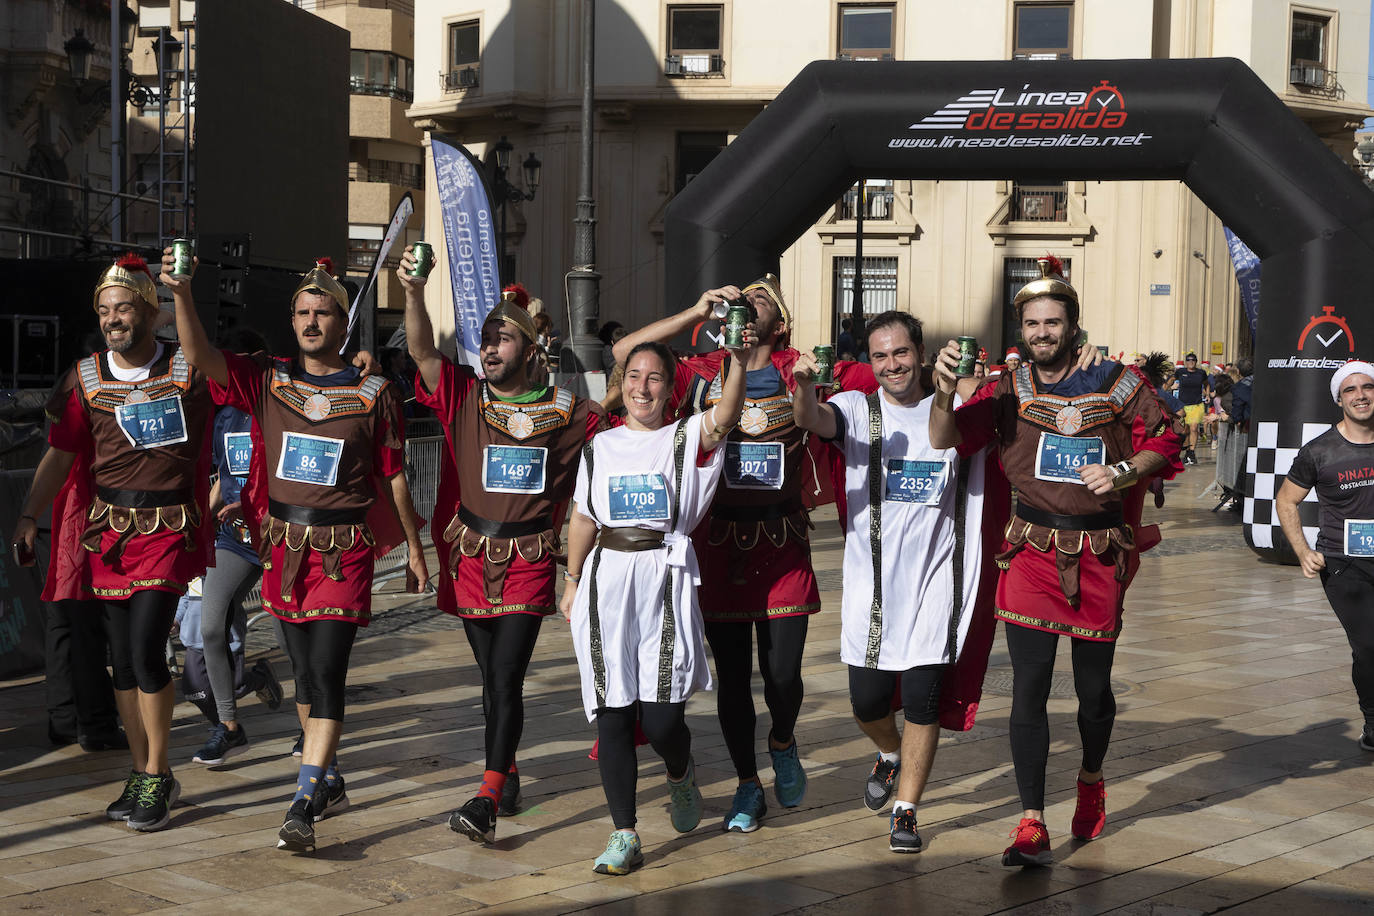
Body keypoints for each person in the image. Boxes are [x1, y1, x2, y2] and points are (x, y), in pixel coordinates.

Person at [166, 251, 428, 853]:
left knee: (329, 670)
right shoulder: (267, 379)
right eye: (304, 312)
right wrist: (182, 293)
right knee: (305, 672)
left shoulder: (374, 392)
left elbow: (394, 475)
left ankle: (303, 798)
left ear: (342, 322)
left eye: (323, 312)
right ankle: (328, 776)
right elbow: (203, 357)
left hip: (346, 550)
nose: (312, 321)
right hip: (283, 548)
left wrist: (414, 549)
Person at [929, 255, 1183, 868]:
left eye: (1053, 322)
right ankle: (1031, 820)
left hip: (1098, 553)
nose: (1043, 332)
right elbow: (944, 437)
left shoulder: (1117, 381)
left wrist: (1124, 470)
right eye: (1034, 323)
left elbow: (1166, 437)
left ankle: (1091, 778)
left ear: (1073, 325)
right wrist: (941, 390)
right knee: (1028, 690)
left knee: (1094, 693)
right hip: (1030, 553)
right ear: (1023, 329)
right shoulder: (1005, 387)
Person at [611, 275, 879, 832]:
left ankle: (782, 740)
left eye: (761, 300)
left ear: (778, 322)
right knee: (733, 680)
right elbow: (622, 353)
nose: (748, 302)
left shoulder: (800, 366)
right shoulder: (702, 371)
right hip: (719, 543)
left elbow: (883, 373)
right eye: (742, 299)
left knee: (782, 674)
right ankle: (746, 785)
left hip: (783, 542)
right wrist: (694, 308)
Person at [398, 248, 606, 846]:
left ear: (530, 348)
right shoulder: (464, 395)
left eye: (503, 339)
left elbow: (625, 424)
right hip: (469, 558)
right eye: (485, 338)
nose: (489, 348)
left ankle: (487, 795)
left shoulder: (566, 413)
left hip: (530, 562)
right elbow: (419, 350)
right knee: (490, 676)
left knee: (506, 677)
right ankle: (506, 767)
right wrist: (413, 292)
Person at [10, 253, 218, 832]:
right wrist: (30, 514)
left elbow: (237, 378)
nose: (112, 319)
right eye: (104, 310)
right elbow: (62, 453)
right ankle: (143, 770)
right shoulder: (85, 377)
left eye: (123, 307)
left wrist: (185, 295)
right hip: (110, 535)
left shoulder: (187, 369)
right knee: (120, 660)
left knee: (148, 647)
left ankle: (157, 773)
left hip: (170, 529)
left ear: (148, 311)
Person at [792, 310, 987, 854]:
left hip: (937, 581)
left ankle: (907, 810)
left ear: (920, 354)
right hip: (872, 587)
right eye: (879, 355)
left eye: (900, 353)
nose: (891, 365)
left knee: (924, 701)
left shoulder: (958, 409)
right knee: (867, 702)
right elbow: (810, 419)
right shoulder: (857, 408)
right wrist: (804, 384)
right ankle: (891, 752)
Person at [560, 332, 750, 875]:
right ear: (623, 385)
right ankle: (624, 832)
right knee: (612, 713)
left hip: (663, 580)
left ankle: (679, 769)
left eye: (656, 378)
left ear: (671, 388)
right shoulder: (600, 447)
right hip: (605, 579)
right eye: (635, 377)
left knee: (664, 718)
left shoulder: (684, 437)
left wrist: (737, 355)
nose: (643, 387)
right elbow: (582, 517)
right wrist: (572, 580)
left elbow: (728, 412)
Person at [190, 326, 284, 767]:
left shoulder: (281, 399)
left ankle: (311, 727)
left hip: (283, 537)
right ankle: (228, 727)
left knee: (292, 632)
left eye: (248, 360)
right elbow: (224, 478)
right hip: (235, 538)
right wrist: (202, 517)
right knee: (210, 628)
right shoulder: (223, 410)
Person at [1276, 361, 1374, 752]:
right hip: (1344, 564)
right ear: (1339, 399)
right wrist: (1302, 551)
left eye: (1367, 387)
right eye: (1351, 390)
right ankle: (1373, 720)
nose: (1361, 395)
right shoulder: (1320, 451)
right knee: (1368, 646)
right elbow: (1286, 500)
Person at [1171, 352, 1209, 465]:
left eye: (1193, 360)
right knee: (1185, 430)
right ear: (1185, 362)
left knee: (1193, 428)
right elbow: (1170, 380)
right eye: (1188, 360)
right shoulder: (1181, 372)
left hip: (1197, 405)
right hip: (1183, 405)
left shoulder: (1201, 373)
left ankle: (1192, 452)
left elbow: (1206, 384)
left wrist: (1207, 394)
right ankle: (1187, 451)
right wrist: (1169, 387)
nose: (1190, 362)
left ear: (1196, 362)